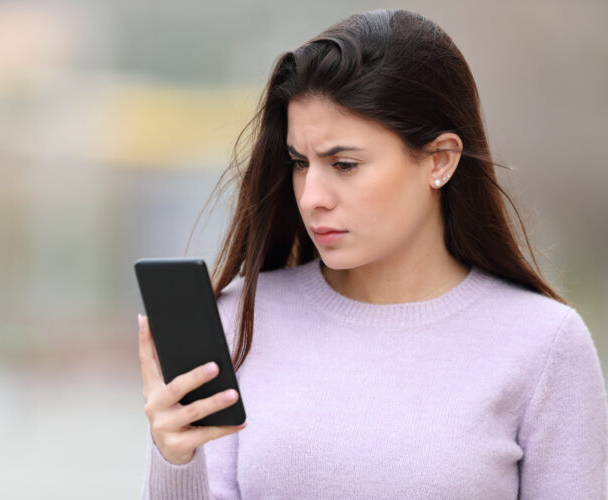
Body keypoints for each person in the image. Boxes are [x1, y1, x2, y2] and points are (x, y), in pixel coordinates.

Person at [137, 8, 608, 499]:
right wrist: (175, 459)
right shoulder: (239, 319)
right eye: (300, 162)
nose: (311, 195)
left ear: (440, 160)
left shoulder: (544, 345)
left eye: (344, 164)